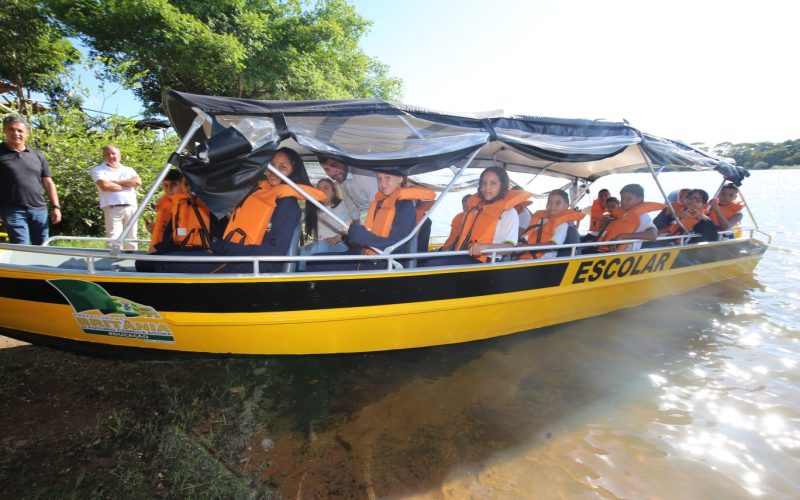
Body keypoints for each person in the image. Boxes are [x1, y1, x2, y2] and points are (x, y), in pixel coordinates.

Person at [147, 148, 324, 274]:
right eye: (271, 165)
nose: (273, 171)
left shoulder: (287, 205)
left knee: (158, 265)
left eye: (282, 166)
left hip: (249, 265)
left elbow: (274, 252)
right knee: (158, 259)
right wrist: (219, 246)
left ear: (293, 172)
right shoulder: (262, 193)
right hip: (236, 257)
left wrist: (220, 247)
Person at [307, 170, 435, 271]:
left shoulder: (404, 206)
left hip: (381, 264)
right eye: (379, 179)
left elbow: (396, 245)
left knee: (314, 264)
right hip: (364, 256)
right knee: (313, 260)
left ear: (401, 178)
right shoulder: (381, 202)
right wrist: (351, 236)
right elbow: (372, 234)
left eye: (388, 178)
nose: (382, 184)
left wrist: (355, 232)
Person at [425, 166, 530, 266]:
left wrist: (485, 247)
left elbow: (510, 246)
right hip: (464, 255)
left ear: (502, 186)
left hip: (486, 261)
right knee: (424, 259)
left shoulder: (509, 213)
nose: (487, 188)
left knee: (429, 265)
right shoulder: (477, 208)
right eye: (484, 183)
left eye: (493, 183)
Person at [0, 115, 61, 244]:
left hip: (39, 209)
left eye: (20, 130)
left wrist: (56, 207)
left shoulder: (37, 155)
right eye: (11, 129)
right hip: (12, 210)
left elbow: (48, 183)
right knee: (21, 246)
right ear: (5, 130)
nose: (16, 133)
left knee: (42, 247)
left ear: (27, 133)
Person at [90, 144, 142, 249]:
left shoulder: (129, 170)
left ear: (119, 155)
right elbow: (105, 186)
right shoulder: (98, 170)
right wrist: (127, 186)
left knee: (131, 240)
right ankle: (113, 259)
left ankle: (131, 258)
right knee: (114, 241)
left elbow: (137, 182)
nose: (111, 156)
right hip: (112, 208)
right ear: (104, 156)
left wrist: (114, 182)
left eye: (113, 153)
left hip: (131, 207)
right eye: (107, 154)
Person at [590, 184, 664, 253]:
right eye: (622, 198)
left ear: (640, 199)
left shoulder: (642, 217)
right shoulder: (622, 213)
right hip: (605, 250)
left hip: (621, 254)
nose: (624, 202)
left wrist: (623, 236)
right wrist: (609, 221)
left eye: (629, 199)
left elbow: (653, 235)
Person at [519, 189, 585, 259]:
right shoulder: (540, 219)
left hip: (540, 262)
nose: (552, 206)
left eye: (557, 203)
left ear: (566, 206)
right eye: (549, 202)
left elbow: (552, 246)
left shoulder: (562, 225)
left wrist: (525, 247)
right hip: (523, 257)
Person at [298, 178, 350, 264]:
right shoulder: (313, 210)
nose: (322, 191)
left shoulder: (341, 206)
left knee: (318, 246)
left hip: (336, 244)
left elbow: (349, 225)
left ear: (333, 193)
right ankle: (300, 271)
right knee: (301, 249)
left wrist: (337, 237)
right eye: (319, 188)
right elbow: (297, 218)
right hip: (316, 244)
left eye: (326, 188)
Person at [318, 155, 378, 223]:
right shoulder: (342, 177)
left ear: (343, 160)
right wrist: (355, 222)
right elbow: (349, 200)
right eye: (327, 169)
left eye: (334, 165)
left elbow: (379, 206)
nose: (333, 173)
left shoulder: (363, 176)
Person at [144, 169, 183, 252]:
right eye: (165, 185)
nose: (169, 189)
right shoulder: (163, 201)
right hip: (157, 248)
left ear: (182, 184)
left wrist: (158, 249)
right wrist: (154, 230)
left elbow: (182, 234)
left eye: (174, 184)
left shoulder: (188, 204)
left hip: (172, 251)